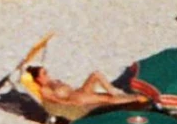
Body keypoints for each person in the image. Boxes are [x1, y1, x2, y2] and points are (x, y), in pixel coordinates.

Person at [13, 37, 145, 116]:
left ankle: (116, 92)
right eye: (44, 73)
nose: (47, 74)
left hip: (79, 93)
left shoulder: (52, 81)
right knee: (107, 98)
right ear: (38, 79)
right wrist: (71, 104)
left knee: (96, 74)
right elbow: (57, 102)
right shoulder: (44, 90)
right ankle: (136, 98)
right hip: (76, 102)